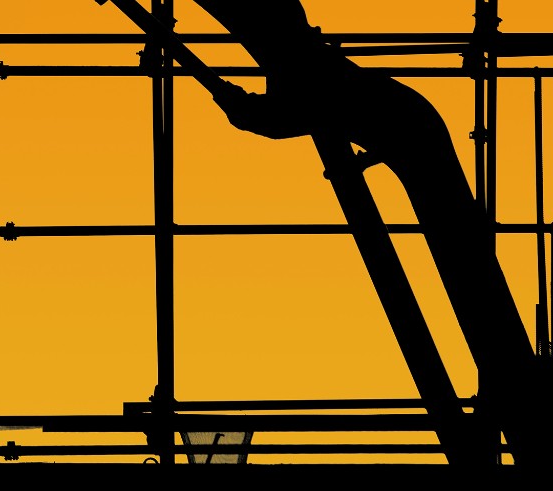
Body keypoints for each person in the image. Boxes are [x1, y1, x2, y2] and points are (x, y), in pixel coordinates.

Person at [189, 0, 548, 466]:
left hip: (413, 134)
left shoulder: (315, 80)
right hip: (414, 130)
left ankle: (515, 398)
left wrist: (240, 107)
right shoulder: (320, 75)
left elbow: (281, 117)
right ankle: (514, 394)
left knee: (476, 294)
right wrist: (245, 108)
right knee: (475, 286)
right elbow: (282, 114)